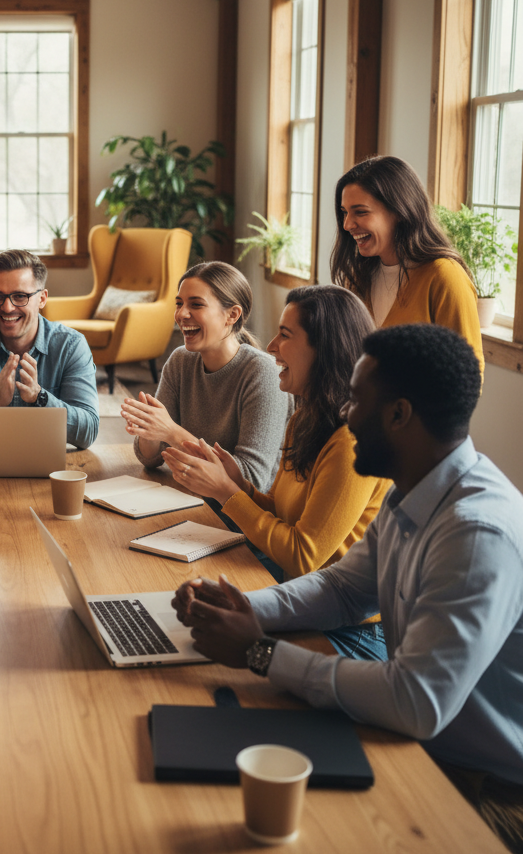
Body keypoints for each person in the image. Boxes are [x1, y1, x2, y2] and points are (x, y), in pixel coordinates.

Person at [174, 324, 523, 854]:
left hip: (484, 788)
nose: (345, 413)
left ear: (399, 414)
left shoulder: (476, 534)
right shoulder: (416, 489)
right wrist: (241, 606)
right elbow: (342, 589)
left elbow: (415, 701)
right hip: (418, 745)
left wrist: (259, 652)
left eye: (357, 399)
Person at [163, 285, 389, 659]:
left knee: (205, 654)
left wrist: (227, 494)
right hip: (299, 598)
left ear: (325, 348)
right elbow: (284, 513)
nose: (269, 346)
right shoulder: (306, 417)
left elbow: (303, 555)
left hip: (350, 630)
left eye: (285, 335)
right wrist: (239, 486)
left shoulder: (352, 442)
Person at [121, 261, 292, 498]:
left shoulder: (262, 373)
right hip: (189, 497)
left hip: (244, 517)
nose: (181, 314)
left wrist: (170, 432)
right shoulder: (181, 360)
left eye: (196, 305)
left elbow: (252, 480)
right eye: (179, 304)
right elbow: (149, 459)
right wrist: (149, 430)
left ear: (232, 315)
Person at [330, 154, 483, 376]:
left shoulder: (444, 276)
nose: (347, 224)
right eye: (344, 212)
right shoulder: (357, 278)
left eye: (360, 212)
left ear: (400, 211)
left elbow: (468, 373)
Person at [0, 249, 99, 449]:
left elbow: (88, 431)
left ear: (42, 299)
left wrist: (40, 398)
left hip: (50, 472)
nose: (7, 308)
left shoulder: (71, 346)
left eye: (20, 296)